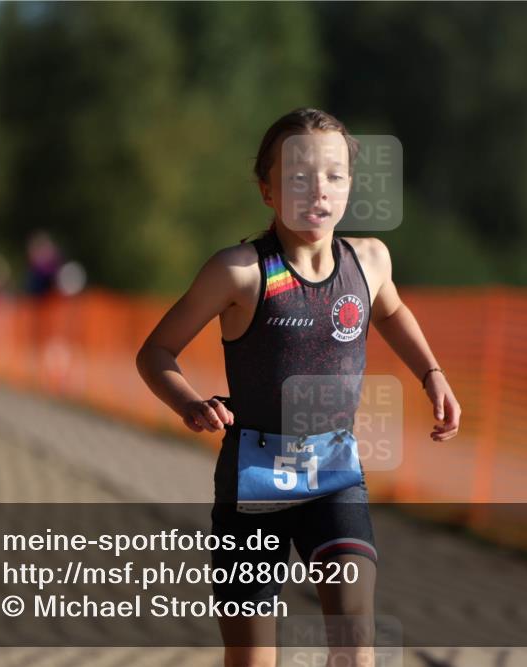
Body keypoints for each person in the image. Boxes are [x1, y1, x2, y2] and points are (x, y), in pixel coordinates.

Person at [137, 108, 461, 667]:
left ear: (351, 185)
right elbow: (155, 352)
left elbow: (391, 312)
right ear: (267, 190)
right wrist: (189, 403)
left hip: (335, 474)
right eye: (299, 177)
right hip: (253, 482)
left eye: (334, 175)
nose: (319, 189)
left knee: (356, 644)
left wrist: (432, 374)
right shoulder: (240, 271)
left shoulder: (370, 261)